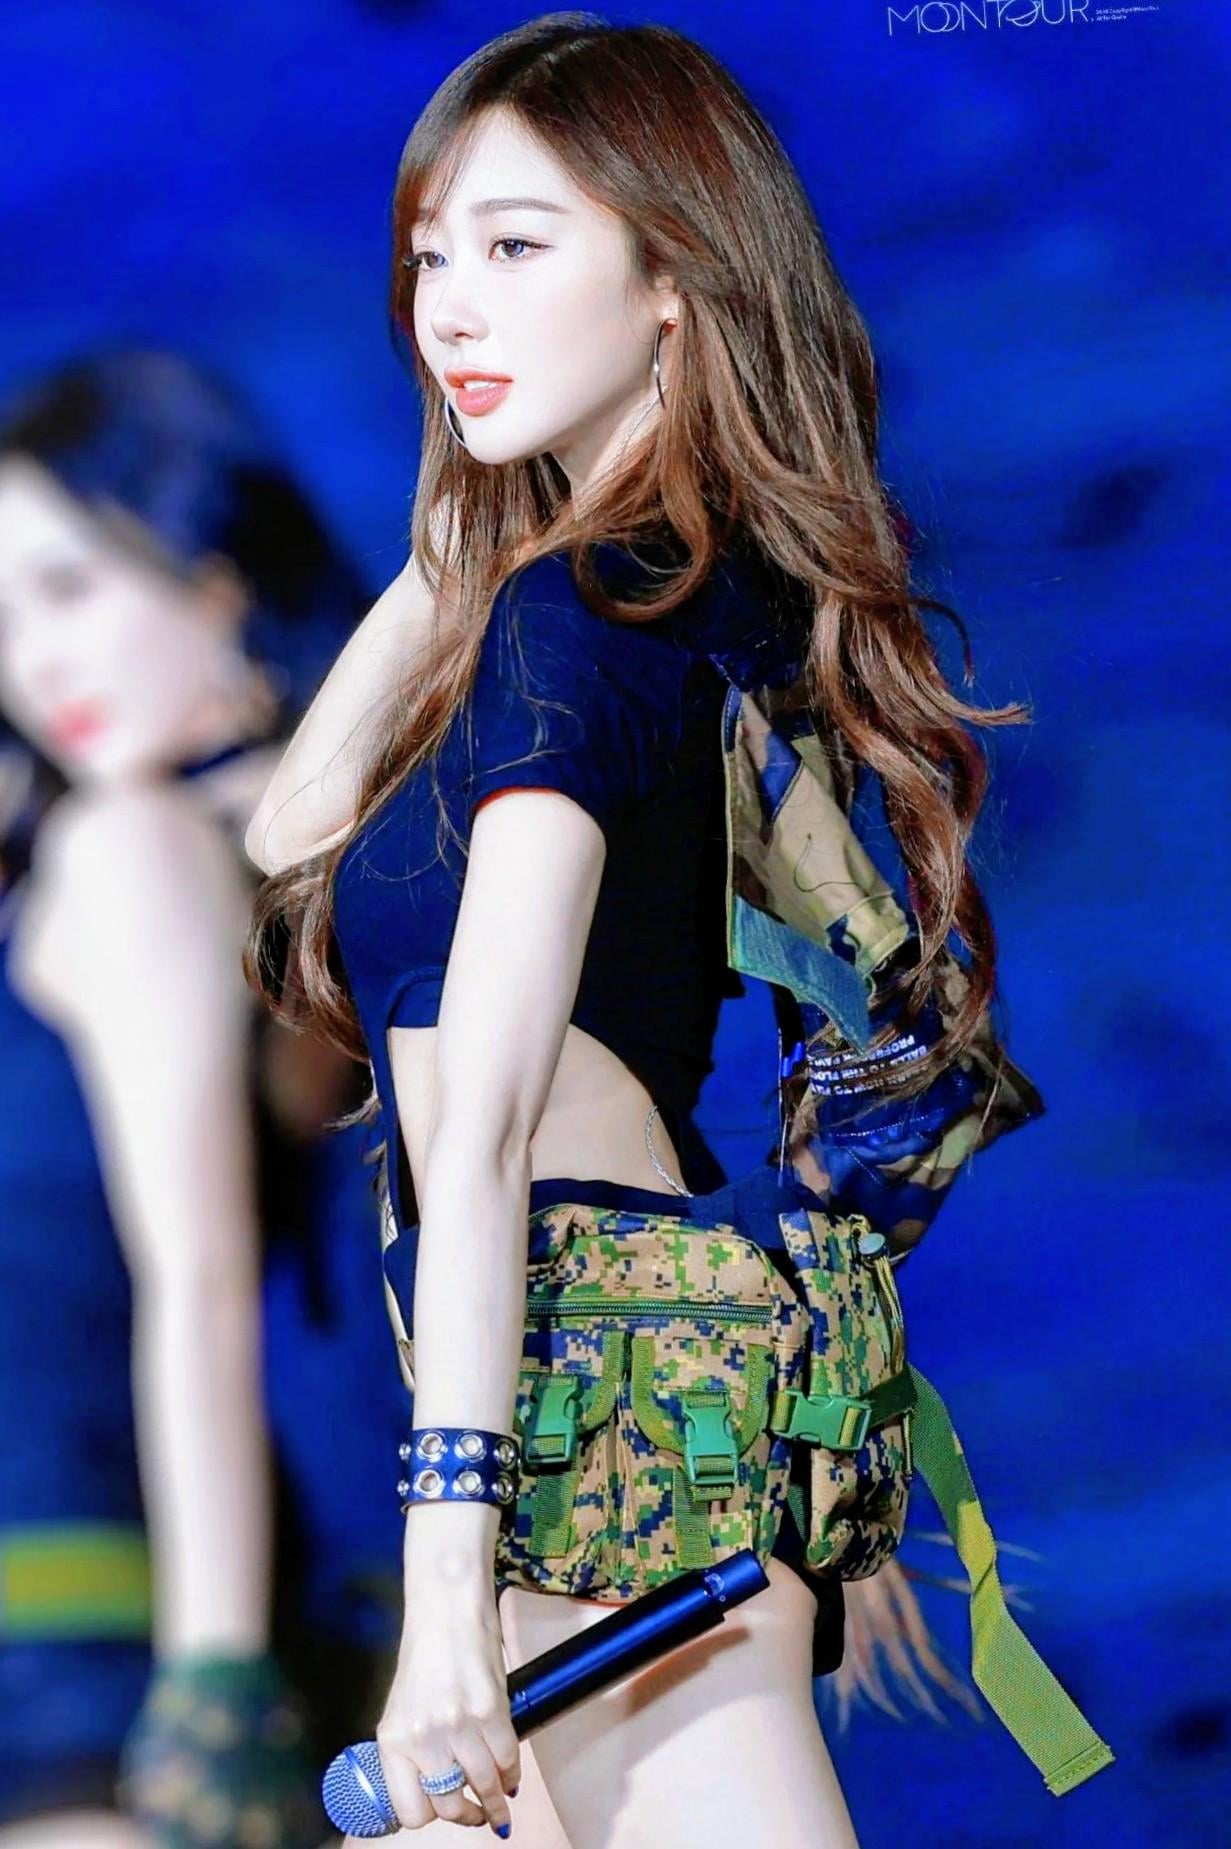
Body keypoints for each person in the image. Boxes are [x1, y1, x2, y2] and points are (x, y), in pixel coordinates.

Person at [245, 17, 1044, 1846]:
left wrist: (441, 1609)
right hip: (593, 1480)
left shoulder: (586, 620)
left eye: (517, 246)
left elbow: (491, 1131)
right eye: (431, 256)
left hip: (592, 1502)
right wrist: (456, 535)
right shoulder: (630, 590)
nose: (450, 307)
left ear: (675, 276)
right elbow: (295, 827)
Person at [0, 349, 407, 1847]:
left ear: (214, 569)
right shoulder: (224, 854)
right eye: (1, 621)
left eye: (69, 586)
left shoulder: (136, 849)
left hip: (90, 1627)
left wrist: (214, 1683)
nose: (35, 663)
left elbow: (206, 1282)